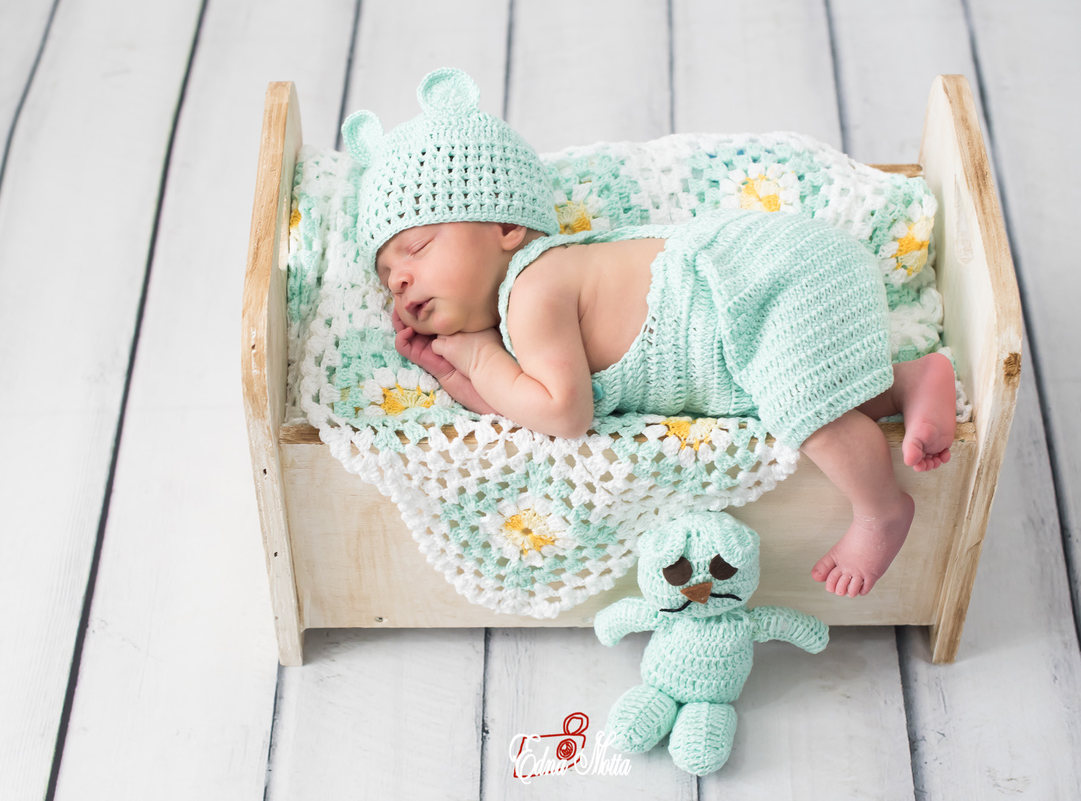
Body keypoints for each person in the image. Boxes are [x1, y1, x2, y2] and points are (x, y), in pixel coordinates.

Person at [344, 68, 956, 597]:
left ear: (505, 227)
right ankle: (907, 382)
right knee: (796, 384)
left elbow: (562, 413)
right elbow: (522, 406)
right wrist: (455, 374)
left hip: (768, 279)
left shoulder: (534, 287)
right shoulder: (519, 317)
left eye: (416, 248)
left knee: (807, 409)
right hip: (760, 313)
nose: (400, 279)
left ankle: (881, 510)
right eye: (387, 276)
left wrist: (478, 359)